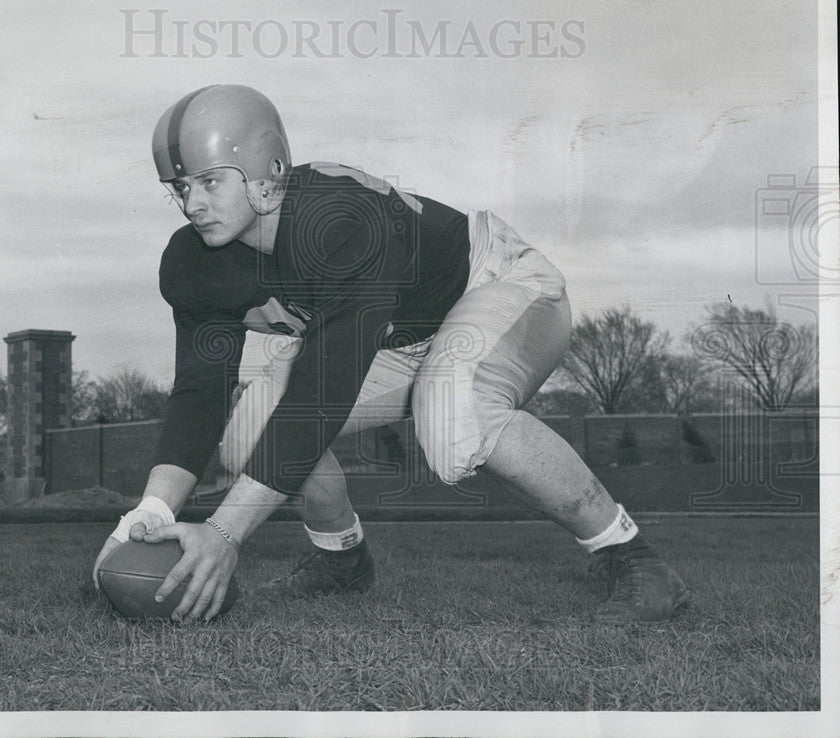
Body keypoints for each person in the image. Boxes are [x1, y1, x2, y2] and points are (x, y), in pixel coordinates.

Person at [93, 84, 689, 624]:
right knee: (246, 427)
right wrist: (146, 515)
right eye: (180, 187)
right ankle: (342, 561)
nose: (192, 203)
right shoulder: (192, 262)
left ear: (265, 172)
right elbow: (199, 390)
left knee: (454, 412)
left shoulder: (336, 219)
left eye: (209, 181)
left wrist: (224, 532)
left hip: (495, 285)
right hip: (393, 341)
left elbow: (323, 391)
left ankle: (630, 555)